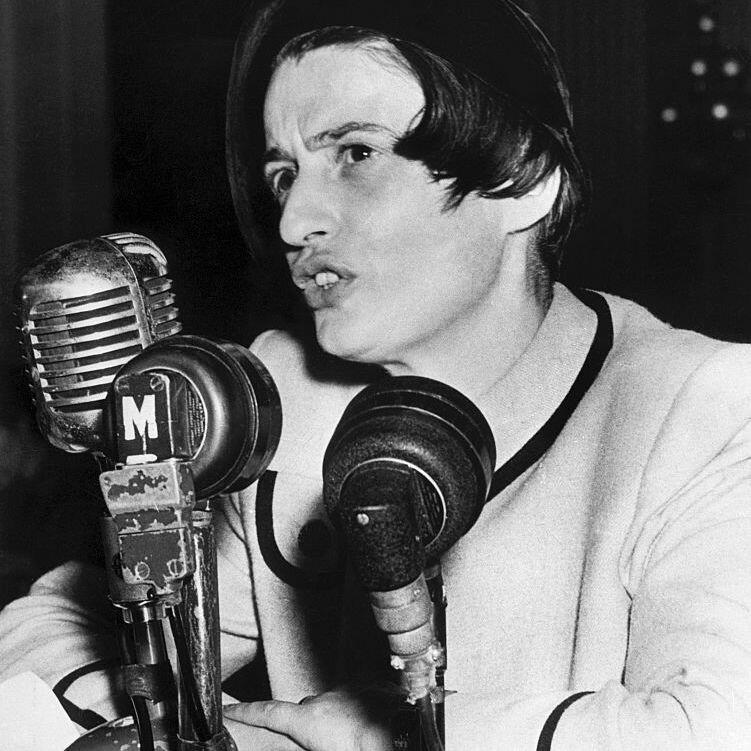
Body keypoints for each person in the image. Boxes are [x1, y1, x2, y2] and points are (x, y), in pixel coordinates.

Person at [2, 1, 751, 749]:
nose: (294, 221)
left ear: (524, 181)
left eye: (356, 154)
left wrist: (371, 735)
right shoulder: (279, 392)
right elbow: (55, 625)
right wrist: (171, 731)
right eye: (283, 174)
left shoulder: (708, 407)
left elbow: (718, 726)